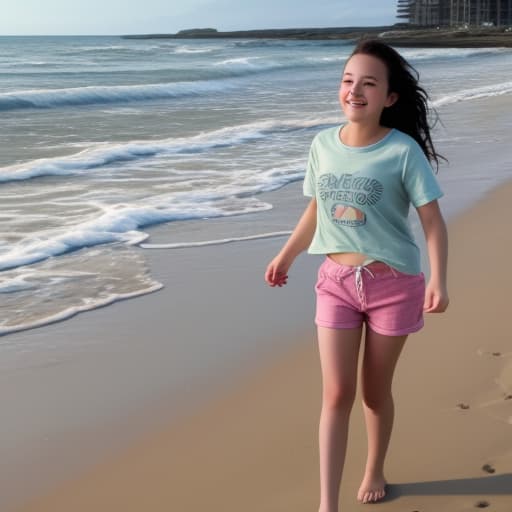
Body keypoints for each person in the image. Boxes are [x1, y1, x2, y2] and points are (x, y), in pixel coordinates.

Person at [264, 39, 449, 511]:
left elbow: (432, 221)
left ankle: (374, 468)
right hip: (336, 283)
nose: (355, 90)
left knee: (372, 393)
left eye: (368, 82)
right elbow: (315, 209)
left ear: (389, 97)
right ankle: (328, 503)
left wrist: (438, 279)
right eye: (348, 80)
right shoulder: (322, 144)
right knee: (336, 393)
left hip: (393, 286)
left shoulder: (402, 151)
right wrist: (286, 255)